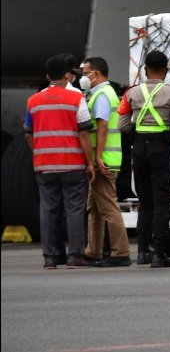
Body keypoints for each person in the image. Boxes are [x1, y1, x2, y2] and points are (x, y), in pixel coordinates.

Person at [24, 55, 95, 269]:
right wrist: (90, 163)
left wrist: (38, 153)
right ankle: (75, 257)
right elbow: (84, 133)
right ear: (67, 75)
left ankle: (50, 258)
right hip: (72, 164)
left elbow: (28, 134)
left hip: (44, 165)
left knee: (48, 209)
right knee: (74, 210)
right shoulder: (76, 99)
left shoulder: (33, 101)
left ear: (47, 76)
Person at [118, 50, 170, 268]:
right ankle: (160, 254)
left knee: (145, 202)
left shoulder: (132, 93)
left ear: (145, 70)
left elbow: (122, 125)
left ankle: (141, 252)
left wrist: (139, 133)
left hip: (138, 150)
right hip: (160, 150)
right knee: (161, 202)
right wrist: (165, 133)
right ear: (166, 70)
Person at [81, 56, 132, 267]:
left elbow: (102, 127)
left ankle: (121, 253)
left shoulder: (102, 95)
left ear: (97, 74)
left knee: (109, 208)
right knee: (94, 209)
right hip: (101, 160)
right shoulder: (101, 93)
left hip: (104, 161)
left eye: (85, 74)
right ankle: (93, 251)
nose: (83, 78)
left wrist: (98, 158)